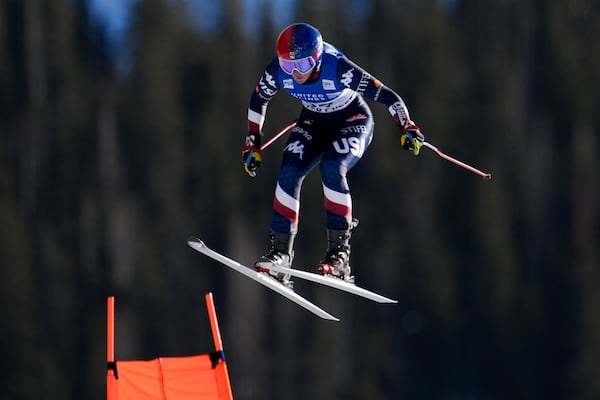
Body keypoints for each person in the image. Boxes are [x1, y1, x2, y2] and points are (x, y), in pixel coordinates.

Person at [242, 22, 424, 288]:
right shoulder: (277, 73)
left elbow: (387, 95)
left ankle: (339, 257)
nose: (295, 73)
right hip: (314, 122)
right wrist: (252, 142)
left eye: (302, 66)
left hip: (353, 120)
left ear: (316, 59)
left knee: (332, 167)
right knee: (289, 169)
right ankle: (281, 254)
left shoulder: (337, 68)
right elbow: (258, 99)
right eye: (288, 66)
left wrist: (406, 125)